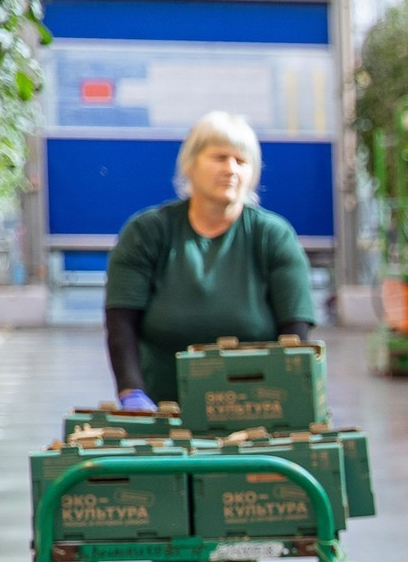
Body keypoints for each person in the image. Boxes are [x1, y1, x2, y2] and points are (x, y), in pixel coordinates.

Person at [104, 112, 316, 411]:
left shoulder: (274, 236)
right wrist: (131, 391)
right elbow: (120, 324)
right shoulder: (147, 232)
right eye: (219, 157)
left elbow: (296, 334)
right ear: (190, 164)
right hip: (163, 408)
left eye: (241, 161)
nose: (231, 169)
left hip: (256, 409)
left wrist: (285, 399)